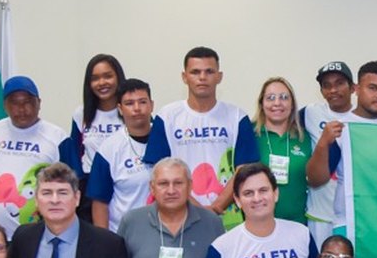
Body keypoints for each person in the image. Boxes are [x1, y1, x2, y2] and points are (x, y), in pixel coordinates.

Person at [144, 46, 258, 216]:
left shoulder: (237, 117)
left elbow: (244, 169)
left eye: (209, 71)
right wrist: (197, 209)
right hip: (180, 214)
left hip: (228, 214)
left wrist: (217, 207)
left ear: (219, 76)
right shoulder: (167, 117)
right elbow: (159, 171)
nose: (202, 77)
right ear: (184, 77)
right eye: (195, 72)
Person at [306, 60, 377, 237]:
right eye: (373, 88)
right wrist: (323, 143)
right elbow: (316, 180)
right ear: (357, 89)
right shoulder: (342, 128)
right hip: (350, 223)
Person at [0, 76, 82, 240]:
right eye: (15, 103)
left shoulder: (57, 137)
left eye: (28, 102)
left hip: (42, 234)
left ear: (39, 103)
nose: (22, 109)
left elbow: (75, 183)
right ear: (5, 106)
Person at [251, 77, 328, 224]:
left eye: (284, 97)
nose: (277, 103)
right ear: (261, 103)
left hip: (297, 223)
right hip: (258, 223)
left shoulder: (305, 137)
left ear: (292, 104)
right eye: (270, 98)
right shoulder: (250, 134)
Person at [302, 61, 360, 247]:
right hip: (320, 214)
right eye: (326, 85)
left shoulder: (364, 117)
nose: (333, 90)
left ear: (353, 88)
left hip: (353, 214)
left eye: (339, 83)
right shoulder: (310, 113)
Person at [88, 78, 154, 232]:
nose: (137, 108)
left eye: (142, 102)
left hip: (163, 233)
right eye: (129, 103)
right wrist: (104, 240)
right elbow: (99, 203)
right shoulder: (109, 149)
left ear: (151, 105)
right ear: (120, 109)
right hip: (123, 234)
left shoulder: (165, 137)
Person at [70, 54, 126, 222]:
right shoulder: (81, 114)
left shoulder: (131, 109)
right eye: (95, 78)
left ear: (118, 77)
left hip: (125, 183)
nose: (102, 83)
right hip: (90, 189)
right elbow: (75, 154)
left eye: (108, 76)